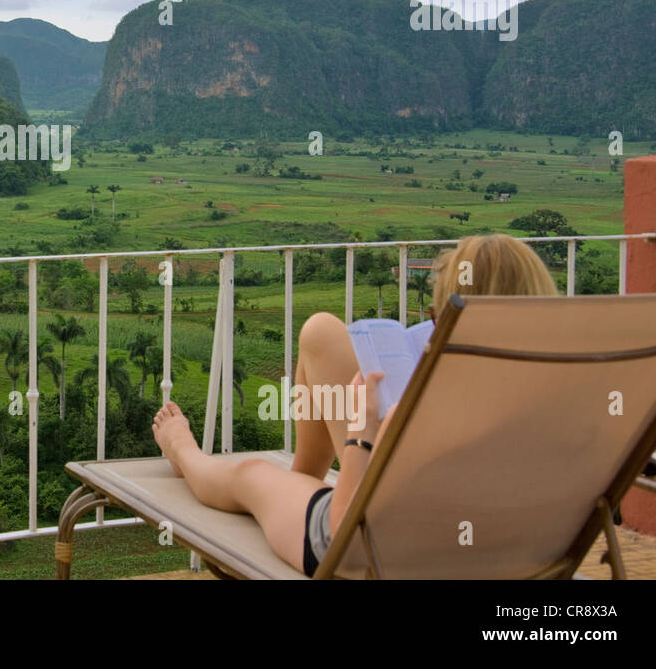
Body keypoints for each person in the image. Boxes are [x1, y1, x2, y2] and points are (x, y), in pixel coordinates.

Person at [151, 233, 558, 576]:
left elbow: (344, 536)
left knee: (249, 475)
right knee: (320, 333)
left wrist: (362, 434)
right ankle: (300, 483)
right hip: (500, 551)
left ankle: (181, 447)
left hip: (372, 555)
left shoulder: (424, 413)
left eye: (436, 316)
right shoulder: (559, 403)